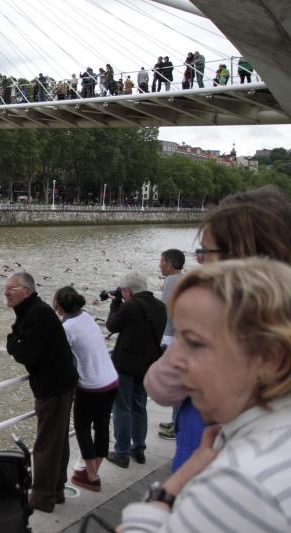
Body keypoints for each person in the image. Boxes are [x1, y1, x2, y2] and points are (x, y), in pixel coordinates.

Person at [120, 258, 291, 532]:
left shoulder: (241, 486)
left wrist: (167, 494)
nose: (175, 361)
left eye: (195, 343)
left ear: (270, 359)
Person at [144, 185, 291, 471]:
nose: (200, 261)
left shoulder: (217, 318)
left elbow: (159, 386)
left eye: (204, 251)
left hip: (210, 467)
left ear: (234, 255)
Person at [5, 272, 78, 512]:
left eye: (11, 288)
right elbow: (22, 344)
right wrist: (16, 340)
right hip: (60, 383)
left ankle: (42, 498)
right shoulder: (32, 311)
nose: (6, 292)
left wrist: (11, 340)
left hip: (54, 387)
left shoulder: (37, 314)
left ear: (26, 290)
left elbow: (25, 353)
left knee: (46, 444)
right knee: (57, 440)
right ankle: (56, 490)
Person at [53, 286, 118, 493]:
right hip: (111, 379)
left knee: (82, 428)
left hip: (92, 386)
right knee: (102, 425)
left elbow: (60, 357)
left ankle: (91, 475)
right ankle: (93, 471)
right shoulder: (87, 317)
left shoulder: (67, 327)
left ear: (60, 306)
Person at [105, 272, 167, 468]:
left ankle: (121, 453)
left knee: (122, 409)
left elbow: (112, 325)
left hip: (125, 366)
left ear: (128, 291)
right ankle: (139, 449)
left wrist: (115, 304)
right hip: (148, 366)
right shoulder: (161, 307)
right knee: (139, 407)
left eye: (123, 292)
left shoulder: (130, 306)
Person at [156, 249, 185, 440]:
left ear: (170, 264)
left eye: (162, 261)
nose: (159, 265)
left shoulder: (171, 282)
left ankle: (177, 425)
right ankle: (177, 420)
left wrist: (162, 339)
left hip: (171, 337)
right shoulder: (184, 279)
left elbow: (164, 312)